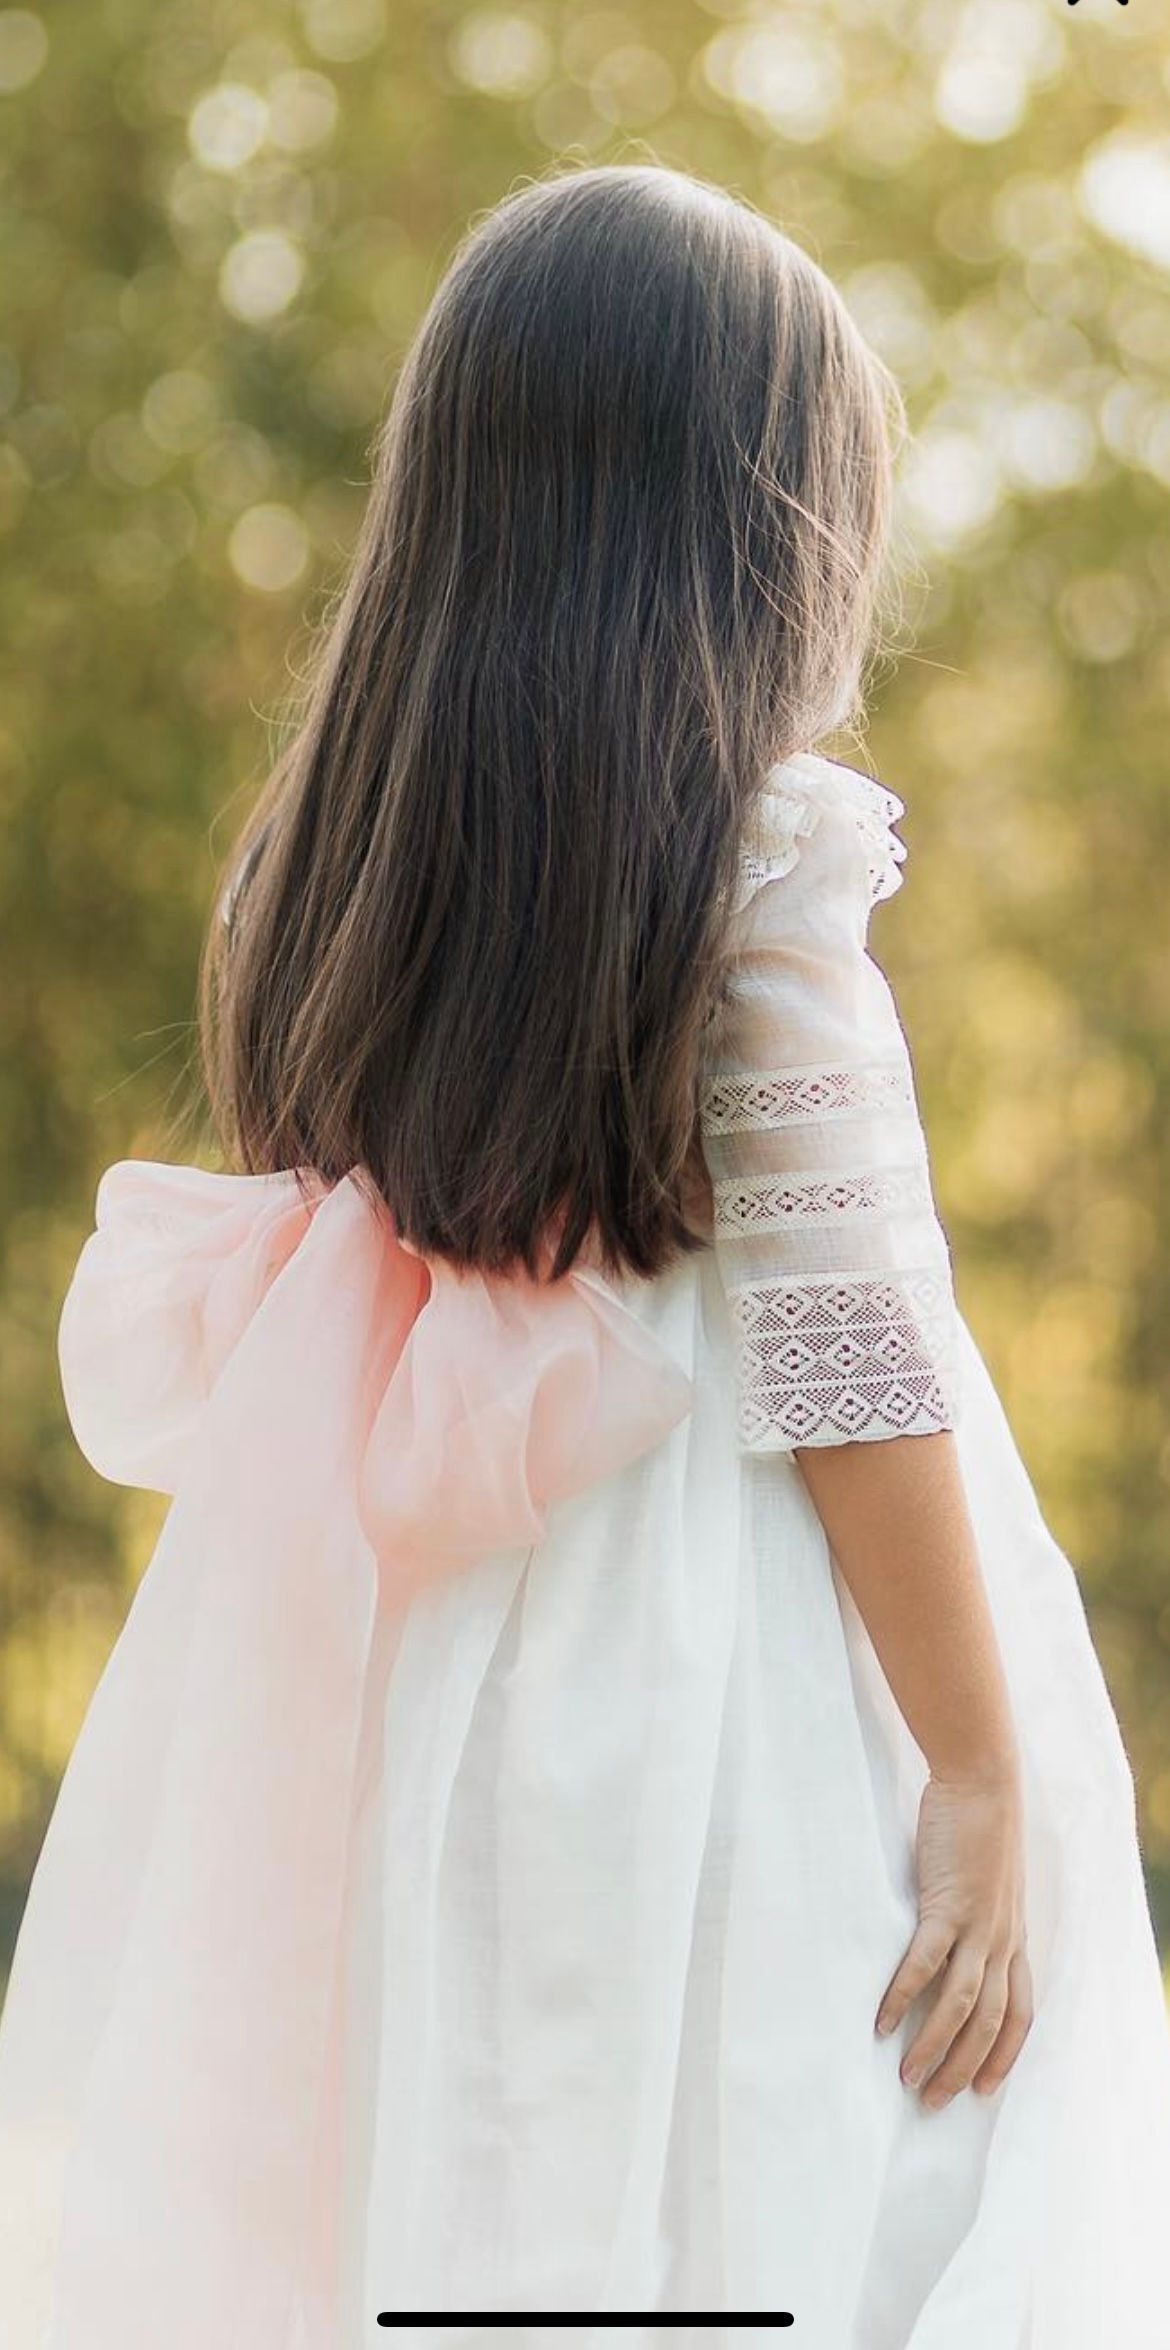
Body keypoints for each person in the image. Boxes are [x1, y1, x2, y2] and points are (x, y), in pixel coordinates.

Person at [1, 161, 1168, 2348]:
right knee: (760, 2174)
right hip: (719, 1653)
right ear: (747, 537)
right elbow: (842, 1345)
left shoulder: (321, 876)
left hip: (432, 1661)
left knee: (471, 2182)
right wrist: (984, 1766)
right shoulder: (756, 886)